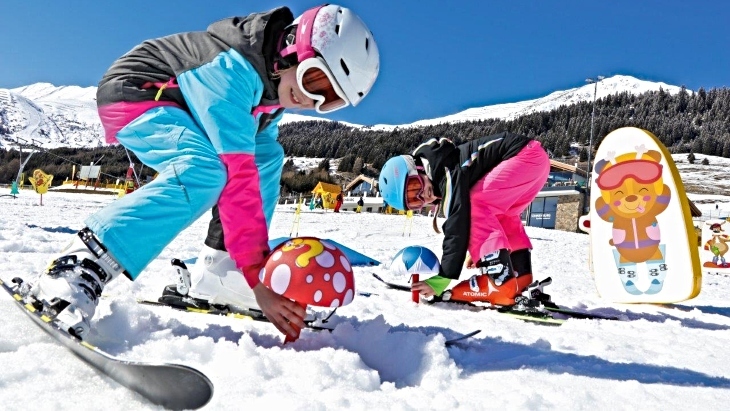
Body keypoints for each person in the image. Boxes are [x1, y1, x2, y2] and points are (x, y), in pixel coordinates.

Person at [25, 4, 379, 340]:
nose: (312, 101)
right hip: (138, 92)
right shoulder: (233, 70)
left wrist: (248, 270)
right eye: (314, 81)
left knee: (268, 154)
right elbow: (237, 178)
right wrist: (258, 278)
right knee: (206, 171)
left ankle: (220, 270)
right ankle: (79, 266)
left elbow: (253, 169)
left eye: (330, 99)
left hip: (179, 106)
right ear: (291, 48)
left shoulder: (269, 100)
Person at [378, 132, 550, 306]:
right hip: (535, 161)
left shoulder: (444, 170)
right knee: (502, 215)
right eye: (414, 200)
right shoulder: (445, 167)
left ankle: (500, 283)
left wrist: (443, 278)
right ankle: (520, 276)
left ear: (417, 167)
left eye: (414, 186)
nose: (423, 196)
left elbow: (457, 224)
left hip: (522, 157)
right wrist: (483, 252)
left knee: (473, 203)